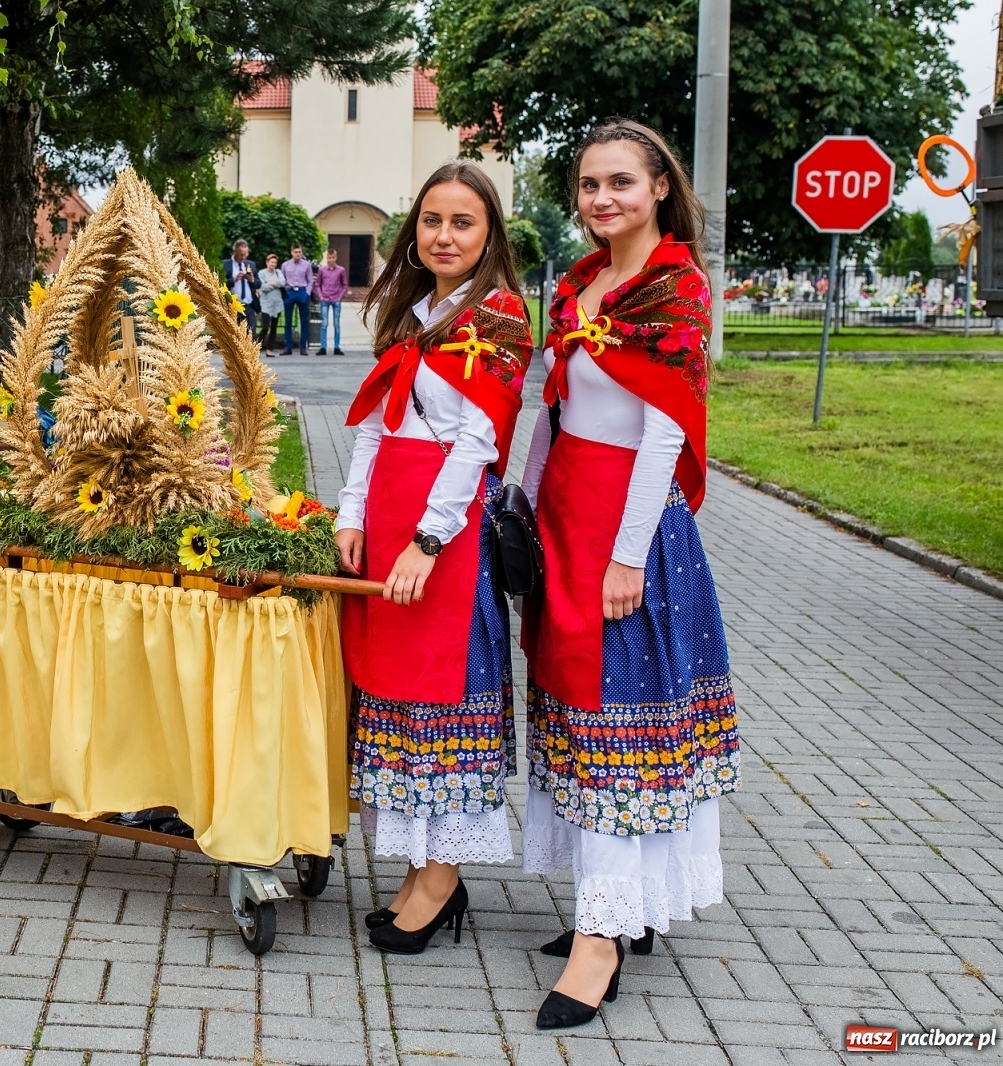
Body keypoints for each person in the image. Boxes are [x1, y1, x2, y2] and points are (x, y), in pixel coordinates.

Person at [518, 120, 740, 1029]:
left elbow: (665, 432)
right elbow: (555, 410)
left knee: (618, 719)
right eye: (587, 185)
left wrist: (626, 555)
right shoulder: (581, 285)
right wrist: (518, 508)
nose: (601, 199)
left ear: (657, 188)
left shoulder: (676, 290)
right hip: (566, 516)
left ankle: (602, 939)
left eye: (619, 183)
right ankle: (618, 906)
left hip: (628, 527)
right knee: (576, 707)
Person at [335, 159, 533, 956]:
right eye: (432, 220)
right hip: (387, 521)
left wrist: (428, 538)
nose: (444, 235)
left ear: (489, 236)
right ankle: (421, 864)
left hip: (443, 535)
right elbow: (378, 426)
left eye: (462, 222)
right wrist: (352, 515)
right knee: (398, 700)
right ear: (412, 231)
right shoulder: (413, 313)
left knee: (447, 699)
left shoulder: (502, 318)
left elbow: (477, 438)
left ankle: (444, 872)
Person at [279, 244, 315, 354]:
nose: (298, 254)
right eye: (295, 252)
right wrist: (285, 292)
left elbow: (310, 280)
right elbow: (282, 279)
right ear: (291, 252)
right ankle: (287, 347)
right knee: (288, 322)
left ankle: (303, 347)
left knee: (304, 321)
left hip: (302, 291)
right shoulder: (285, 265)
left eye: (299, 252)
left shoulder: (306, 265)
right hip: (289, 292)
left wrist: (307, 293)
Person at [314, 247, 349, 354]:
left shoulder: (341, 270)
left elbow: (345, 284)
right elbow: (318, 283)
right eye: (329, 258)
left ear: (336, 257)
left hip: (336, 299)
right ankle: (323, 347)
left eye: (333, 257)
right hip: (325, 298)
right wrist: (320, 295)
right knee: (324, 323)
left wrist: (340, 296)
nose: (331, 260)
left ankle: (336, 347)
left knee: (336, 323)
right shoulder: (322, 270)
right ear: (327, 258)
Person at [223, 239, 259, 338]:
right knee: (235, 337)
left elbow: (259, 284)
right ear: (234, 252)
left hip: (249, 305)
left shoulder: (250, 264)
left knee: (251, 335)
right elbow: (219, 283)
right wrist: (233, 280)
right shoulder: (225, 264)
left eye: (245, 254)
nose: (243, 257)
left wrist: (252, 280)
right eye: (240, 254)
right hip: (233, 305)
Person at [257, 253, 286, 355]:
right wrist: (273, 285)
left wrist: (270, 283)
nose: (273, 264)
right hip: (265, 303)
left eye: (275, 262)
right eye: (271, 262)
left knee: (274, 327)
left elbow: (282, 282)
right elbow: (262, 287)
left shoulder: (278, 272)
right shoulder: (261, 273)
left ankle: (269, 349)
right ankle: (256, 346)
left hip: (277, 303)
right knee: (265, 327)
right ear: (267, 262)